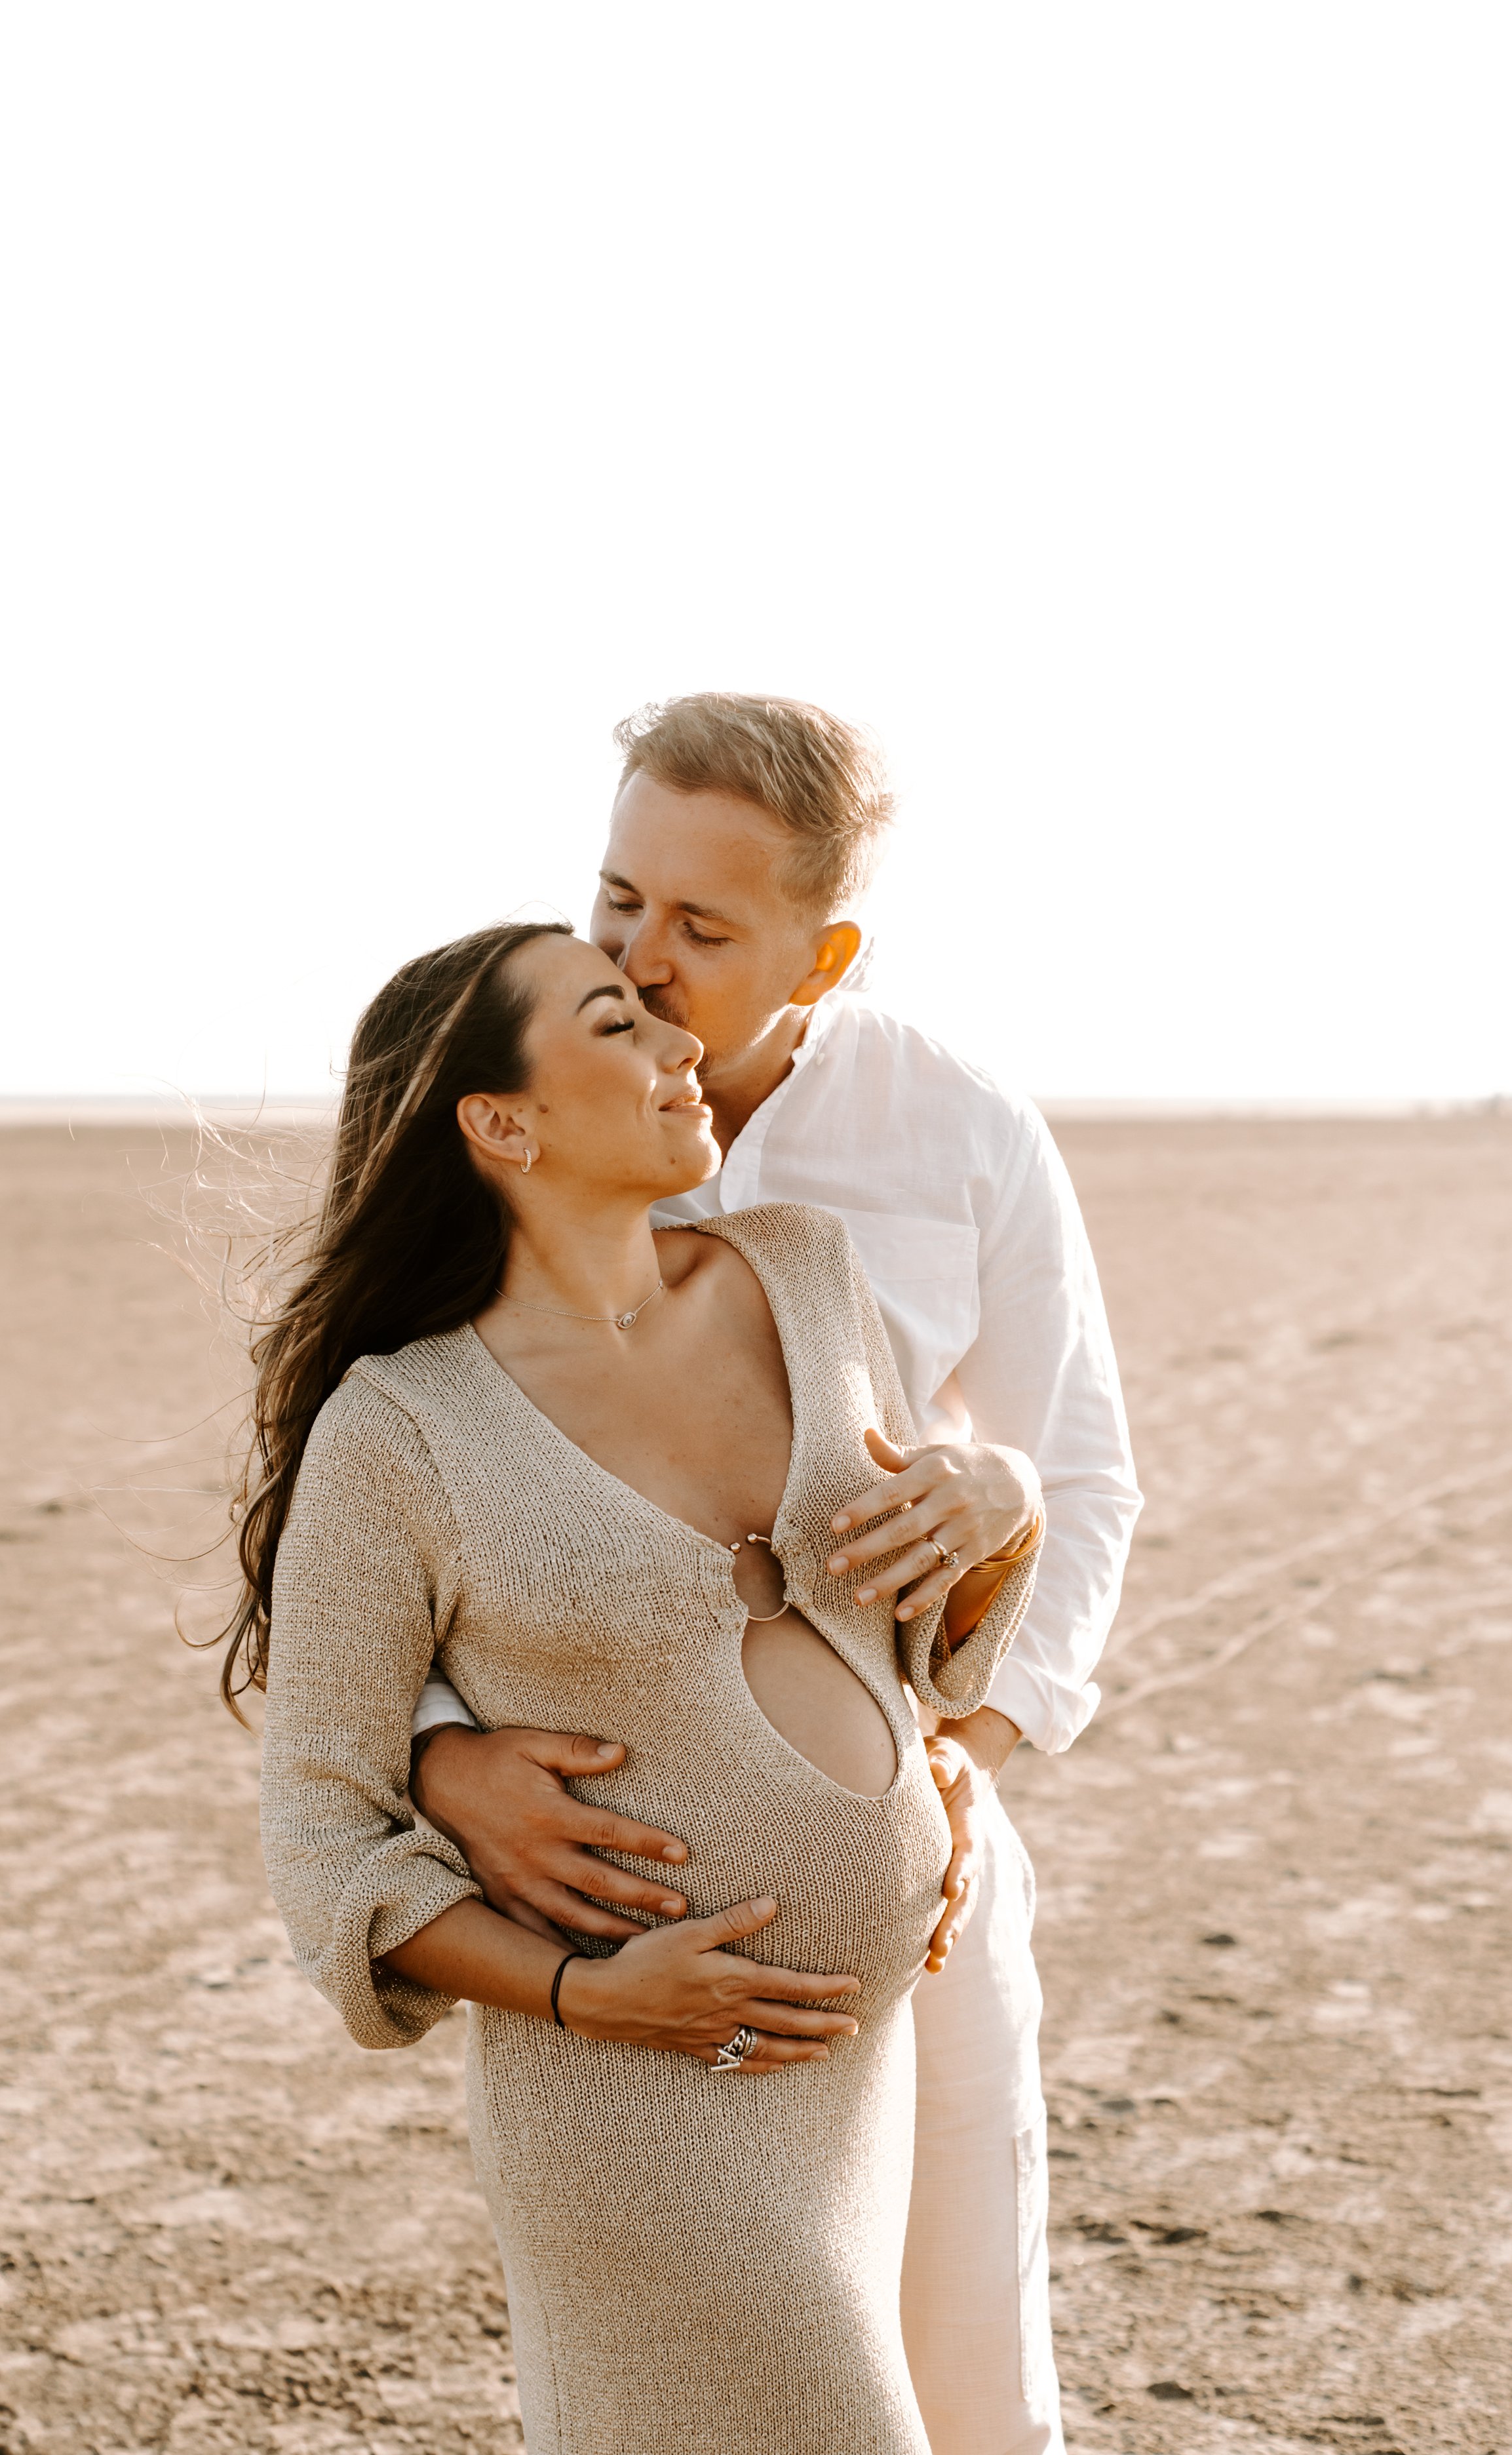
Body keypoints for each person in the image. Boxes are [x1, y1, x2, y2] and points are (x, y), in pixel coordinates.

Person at [410, 696, 1142, 2455]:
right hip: (605, 1894)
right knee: (655, 2400)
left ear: (826, 950)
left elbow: (1081, 1467)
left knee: (969, 2393)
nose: (640, 959)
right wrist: (451, 1760)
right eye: (613, 900)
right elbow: (372, 1490)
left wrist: (976, 1744)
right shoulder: (490, 1103)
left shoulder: (957, 1130)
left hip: (920, 1880)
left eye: (701, 927)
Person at [244, 918, 1045, 2455]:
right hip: (626, 2090)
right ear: (500, 1120)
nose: (683, 1045)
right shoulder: (399, 1429)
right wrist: (582, 1990)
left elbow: (910, 1634)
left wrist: (992, 1497)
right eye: (618, 1022)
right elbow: (319, 1821)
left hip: (842, 2077)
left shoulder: (803, 1272)